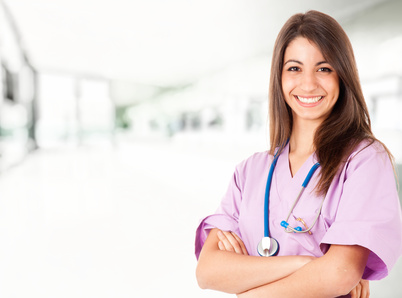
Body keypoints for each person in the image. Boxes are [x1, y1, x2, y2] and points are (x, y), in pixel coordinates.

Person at [194, 10, 402, 298]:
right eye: (294, 68)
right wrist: (306, 264)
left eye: (324, 68)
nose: (308, 84)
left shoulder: (364, 160)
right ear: (279, 77)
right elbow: (208, 271)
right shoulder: (249, 172)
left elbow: (340, 273)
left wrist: (248, 287)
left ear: (343, 76)